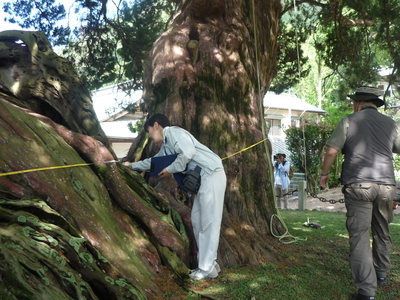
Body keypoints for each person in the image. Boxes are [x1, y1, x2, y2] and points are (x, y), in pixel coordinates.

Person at [123, 113, 227, 280]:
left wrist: (170, 169)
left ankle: (205, 268)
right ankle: (210, 265)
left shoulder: (173, 132)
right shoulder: (167, 145)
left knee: (209, 222)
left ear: (156, 125)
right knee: (198, 220)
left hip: (211, 174)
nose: (150, 136)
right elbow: (154, 163)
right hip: (204, 179)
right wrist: (131, 166)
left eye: (149, 131)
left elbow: (187, 153)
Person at [319, 86, 400, 300]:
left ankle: (366, 289)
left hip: (358, 184)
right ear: (375, 103)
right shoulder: (392, 124)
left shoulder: (349, 120)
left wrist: (324, 174)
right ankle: (381, 274)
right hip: (386, 186)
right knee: (382, 231)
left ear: (358, 103)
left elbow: (331, 151)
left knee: (360, 235)